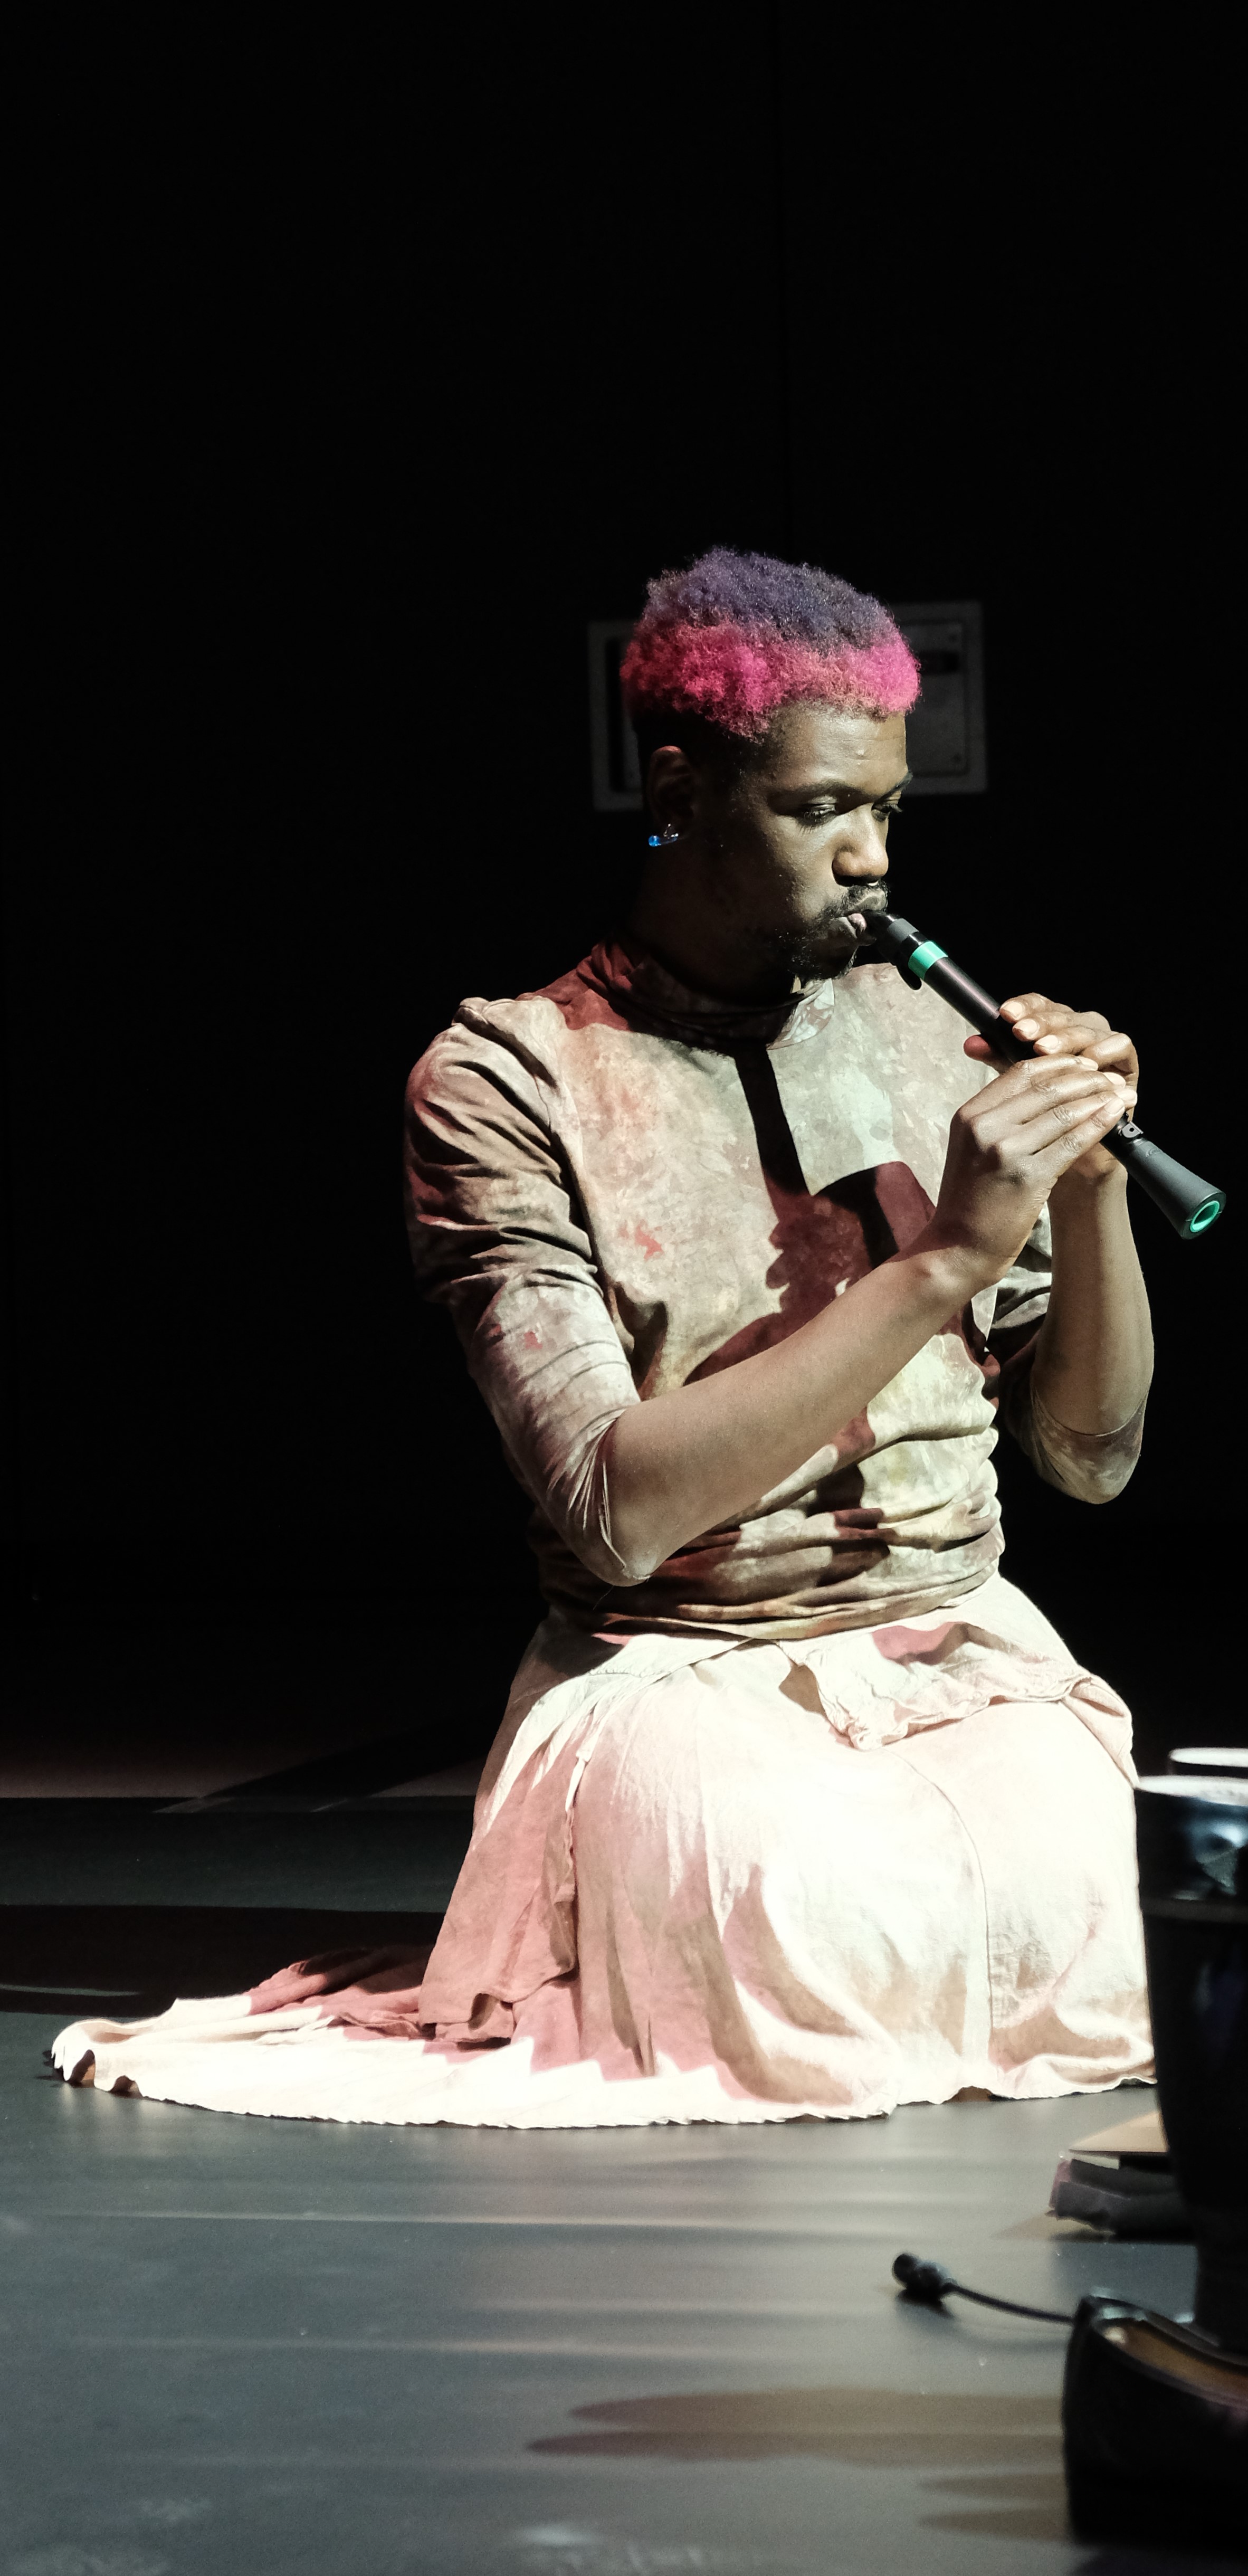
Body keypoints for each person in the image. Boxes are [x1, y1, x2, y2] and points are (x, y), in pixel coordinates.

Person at [54, 550, 1157, 2127]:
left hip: (955, 1643)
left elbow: (1092, 1462)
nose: (870, 858)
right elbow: (618, 1513)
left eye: (888, 809)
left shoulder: (939, 1039)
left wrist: (1095, 1188)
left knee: (1098, 1899)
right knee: (813, 1912)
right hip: (678, 1670)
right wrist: (940, 1266)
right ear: (681, 791)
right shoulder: (507, 1081)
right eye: (818, 810)